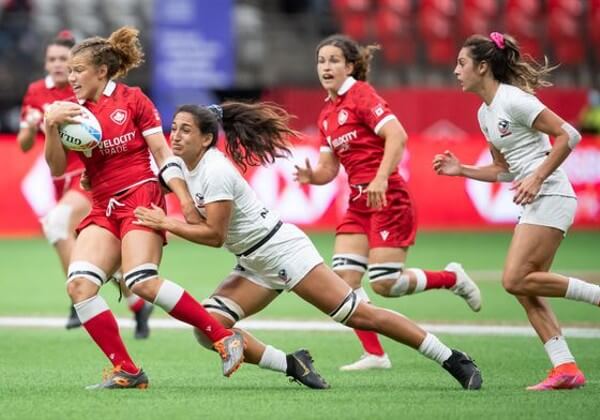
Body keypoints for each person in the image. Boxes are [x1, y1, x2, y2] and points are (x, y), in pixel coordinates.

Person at [134, 102, 483, 391]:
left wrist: (167, 223)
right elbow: (160, 178)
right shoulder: (183, 165)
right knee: (209, 326)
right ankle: (293, 364)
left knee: (359, 315)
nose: (175, 136)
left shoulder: (215, 171)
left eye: (185, 130)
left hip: (282, 251)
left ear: (207, 138)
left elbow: (214, 236)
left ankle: (452, 358)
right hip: (253, 262)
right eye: (174, 127)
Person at [43, 26, 244, 389]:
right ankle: (128, 370)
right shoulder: (71, 114)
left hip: (140, 196)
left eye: (78, 70)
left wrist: (182, 201)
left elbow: (163, 153)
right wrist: (50, 127)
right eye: (69, 71)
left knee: (142, 281)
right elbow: (57, 169)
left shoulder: (133, 100)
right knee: (79, 287)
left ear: (101, 72)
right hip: (103, 206)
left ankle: (222, 336)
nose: (70, 77)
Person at [293, 34, 482, 371]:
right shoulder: (327, 113)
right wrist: (312, 177)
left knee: (385, 284)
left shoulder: (362, 95)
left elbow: (397, 135)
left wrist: (380, 177)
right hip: (358, 204)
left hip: (388, 197)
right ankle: (376, 355)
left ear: (350, 66)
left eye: (334, 60)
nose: (326, 66)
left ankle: (451, 279)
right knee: (343, 283)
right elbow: (328, 168)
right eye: (321, 61)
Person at [433, 32, 600, 391]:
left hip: (551, 194)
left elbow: (569, 134)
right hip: (536, 199)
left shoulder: (515, 100)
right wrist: (461, 170)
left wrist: (538, 177)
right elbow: (502, 170)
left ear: (482, 66)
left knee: (514, 279)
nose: (455, 70)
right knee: (525, 289)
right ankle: (565, 367)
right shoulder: (484, 113)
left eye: (462, 63)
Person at [17, 30, 154, 338]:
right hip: (61, 181)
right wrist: (34, 123)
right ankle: (136, 306)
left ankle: (75, 299)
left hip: (89, 179)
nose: (58, 66)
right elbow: (26, 145)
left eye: (65, 60)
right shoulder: (38, 93)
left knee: (56, 223)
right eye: (52, 60)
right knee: (101, 256)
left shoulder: (90, 94)